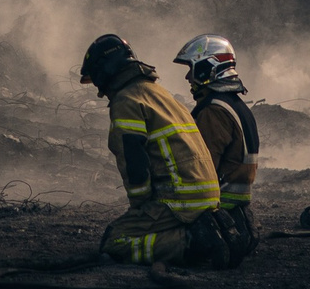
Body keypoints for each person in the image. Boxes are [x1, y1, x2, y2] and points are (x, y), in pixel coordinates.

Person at [77, 32, 225, 266]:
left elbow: (134, 162)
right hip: (206, 197)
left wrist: (140, 209)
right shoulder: (160, 93)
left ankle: (192, 244)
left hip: (178, 200)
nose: (99, 90)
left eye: (96, 80)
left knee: (115, 241)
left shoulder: (126, 101)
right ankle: (200, 232)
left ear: (105, 71)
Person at [173, 33, 259, 266]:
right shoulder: (236, 105)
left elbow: (201, 166)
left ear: (207, 68)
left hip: (216, 208)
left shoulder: (213, 111)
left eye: (192, 68)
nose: (188, 76)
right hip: (235, 208)